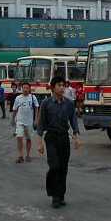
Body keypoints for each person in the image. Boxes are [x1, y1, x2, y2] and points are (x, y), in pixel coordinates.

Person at [37, 76, 81, 209]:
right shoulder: (46, 103)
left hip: (63, 139)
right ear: (53, 87)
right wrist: (40, 143)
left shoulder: (69, 103)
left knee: (63, 168)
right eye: (59, 85)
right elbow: (41, 124)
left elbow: (73, 121)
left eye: (63, 85)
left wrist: (76, 137)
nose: (62, 88)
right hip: (51, 138)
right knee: (54, 166)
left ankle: (61, 195)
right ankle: (54, 195)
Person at [12, 82, 39, 163]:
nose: (25, 89)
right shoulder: (18, 98)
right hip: (20, 121)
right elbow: (15, 109)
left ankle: (28, 155)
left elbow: (37, 108)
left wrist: (36, 119)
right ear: (21, 88)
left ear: (29, 89)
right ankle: (20, 156)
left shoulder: (33, 97)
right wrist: (13, 119)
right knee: (19, 137)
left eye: (27, 88)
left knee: (28, 139)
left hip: (29, 122)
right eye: (24, 88)